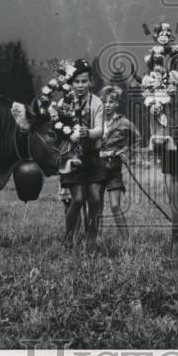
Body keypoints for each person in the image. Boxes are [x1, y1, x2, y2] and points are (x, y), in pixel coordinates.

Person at [56, 59, 106, 248]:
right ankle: (69, 238)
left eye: (84, 81)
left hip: (91, 155)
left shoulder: (96, 102)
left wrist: (88, 133)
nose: (80, 86)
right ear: (71, 83)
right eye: (76, 82)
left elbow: (100, 130)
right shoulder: (63, 102)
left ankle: (91, 239)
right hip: (71, 156)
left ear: (90, 82)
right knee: (76, 199)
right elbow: (57, 129)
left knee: (94, 198)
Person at [98, 85, 140, 242]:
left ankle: (126, 240)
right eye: (104, 102)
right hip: (97, 167)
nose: (107, 105)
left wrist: (126, 151)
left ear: (117, 104)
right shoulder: (96, 120)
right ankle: (97, 239)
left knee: (115, 206)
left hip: (114, 169)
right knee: (98, 206)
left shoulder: (124, 122)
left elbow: (137, 138)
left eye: (111, 102)